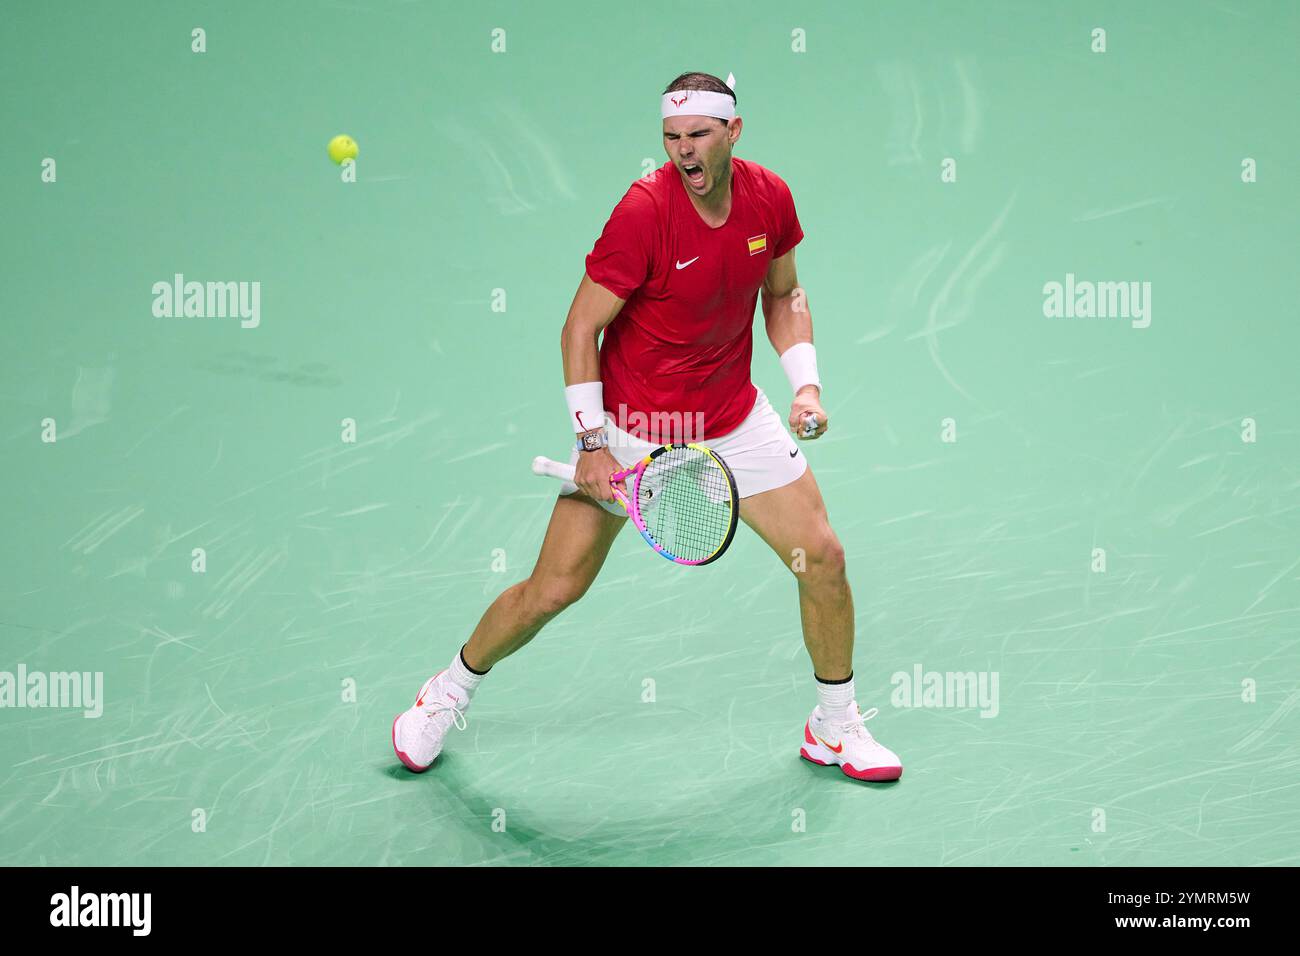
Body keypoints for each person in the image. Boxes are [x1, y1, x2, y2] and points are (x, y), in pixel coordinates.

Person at [392, 71, 902, 782]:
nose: (684, 152)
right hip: (633, 426)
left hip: (730, 418)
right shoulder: (644, 213)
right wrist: (594, 441)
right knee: (554, 588)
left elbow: (784, 294)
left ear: (733, 132)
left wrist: (805, 383)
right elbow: (580, 326)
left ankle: (834, 726)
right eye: (671, 138)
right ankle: (447, 691)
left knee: (823, 557)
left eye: (697, 136)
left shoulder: (769, 197)